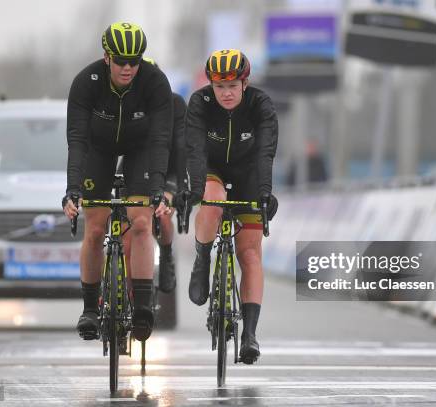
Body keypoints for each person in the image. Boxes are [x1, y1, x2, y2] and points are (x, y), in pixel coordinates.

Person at [62, 22, 173, 342]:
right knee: (95, 228)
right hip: (98, 149)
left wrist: (157, 189)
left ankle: (141, 307)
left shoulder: (154, 82)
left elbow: (161, 140)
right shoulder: (86, 82)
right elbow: (77, 140)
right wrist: (73, 188)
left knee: (140, 222)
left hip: (141, 150)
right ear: (106, 57)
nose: (128, 67)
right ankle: (90, 310)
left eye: (134, 61)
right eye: (121, 60)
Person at [183, 49, 279, 364]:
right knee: (213, 199)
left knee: (250, 254)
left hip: (249, 174)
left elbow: (266, 153)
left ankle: (250, 335)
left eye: (232, 86)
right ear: (211, 84)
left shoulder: (260, 105)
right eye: (219, 86)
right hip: (212, 171)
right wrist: (196, 190)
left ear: (245, 83)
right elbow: (194, 150)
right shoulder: (200, 103)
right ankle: (202, 259)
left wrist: (264, 192)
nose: (226, 93)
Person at [118, 57, 188, 294]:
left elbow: (180, 146)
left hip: (168, 167)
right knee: (127, 239)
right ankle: (126, 297)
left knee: (164, 215)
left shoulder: (175, 104)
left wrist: (175, 186)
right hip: (135, 168)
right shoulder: (125, 102)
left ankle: (167, 255)